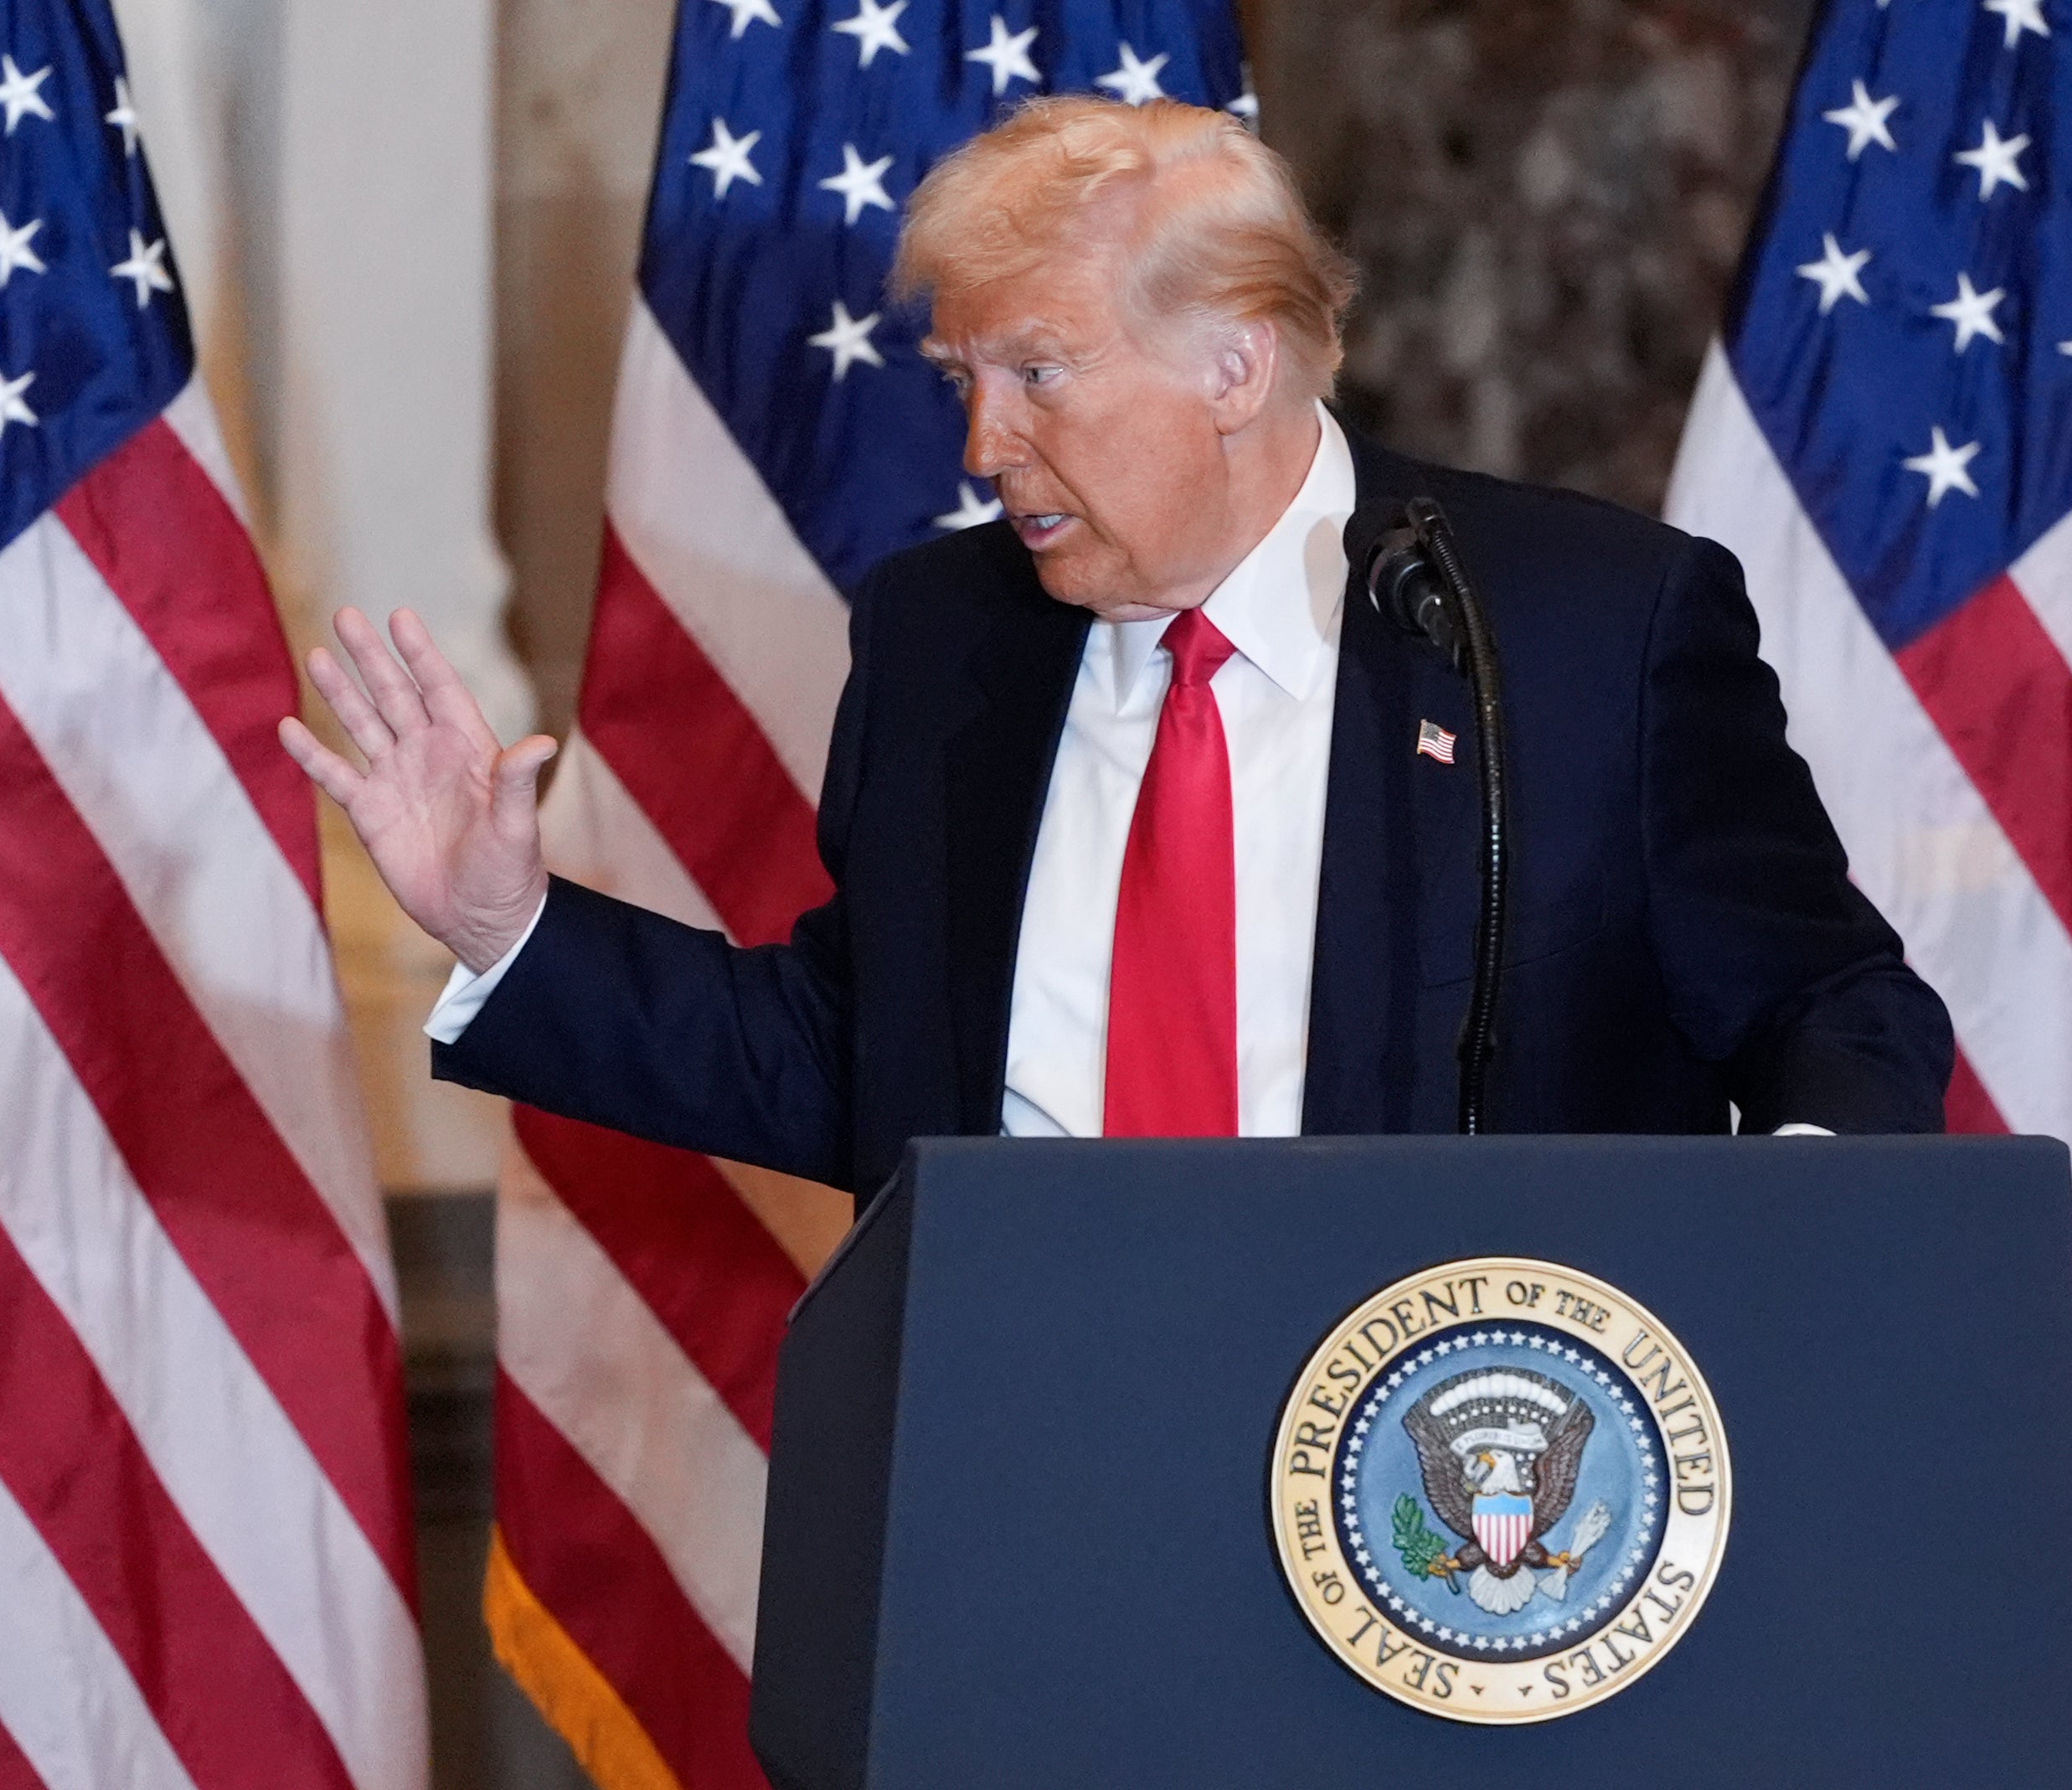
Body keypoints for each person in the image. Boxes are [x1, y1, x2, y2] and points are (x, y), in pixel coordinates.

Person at [279, 96, 1951, 1199]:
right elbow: (855, 1061)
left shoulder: (1583, 629)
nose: (982, 445)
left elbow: (1824, 999)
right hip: (1033, 1472)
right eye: (963, 382)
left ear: (1232, 364)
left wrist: (1790, 1226)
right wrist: (508, 924)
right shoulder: (947, 641)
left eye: (1036, 372)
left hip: (1460, 1500)